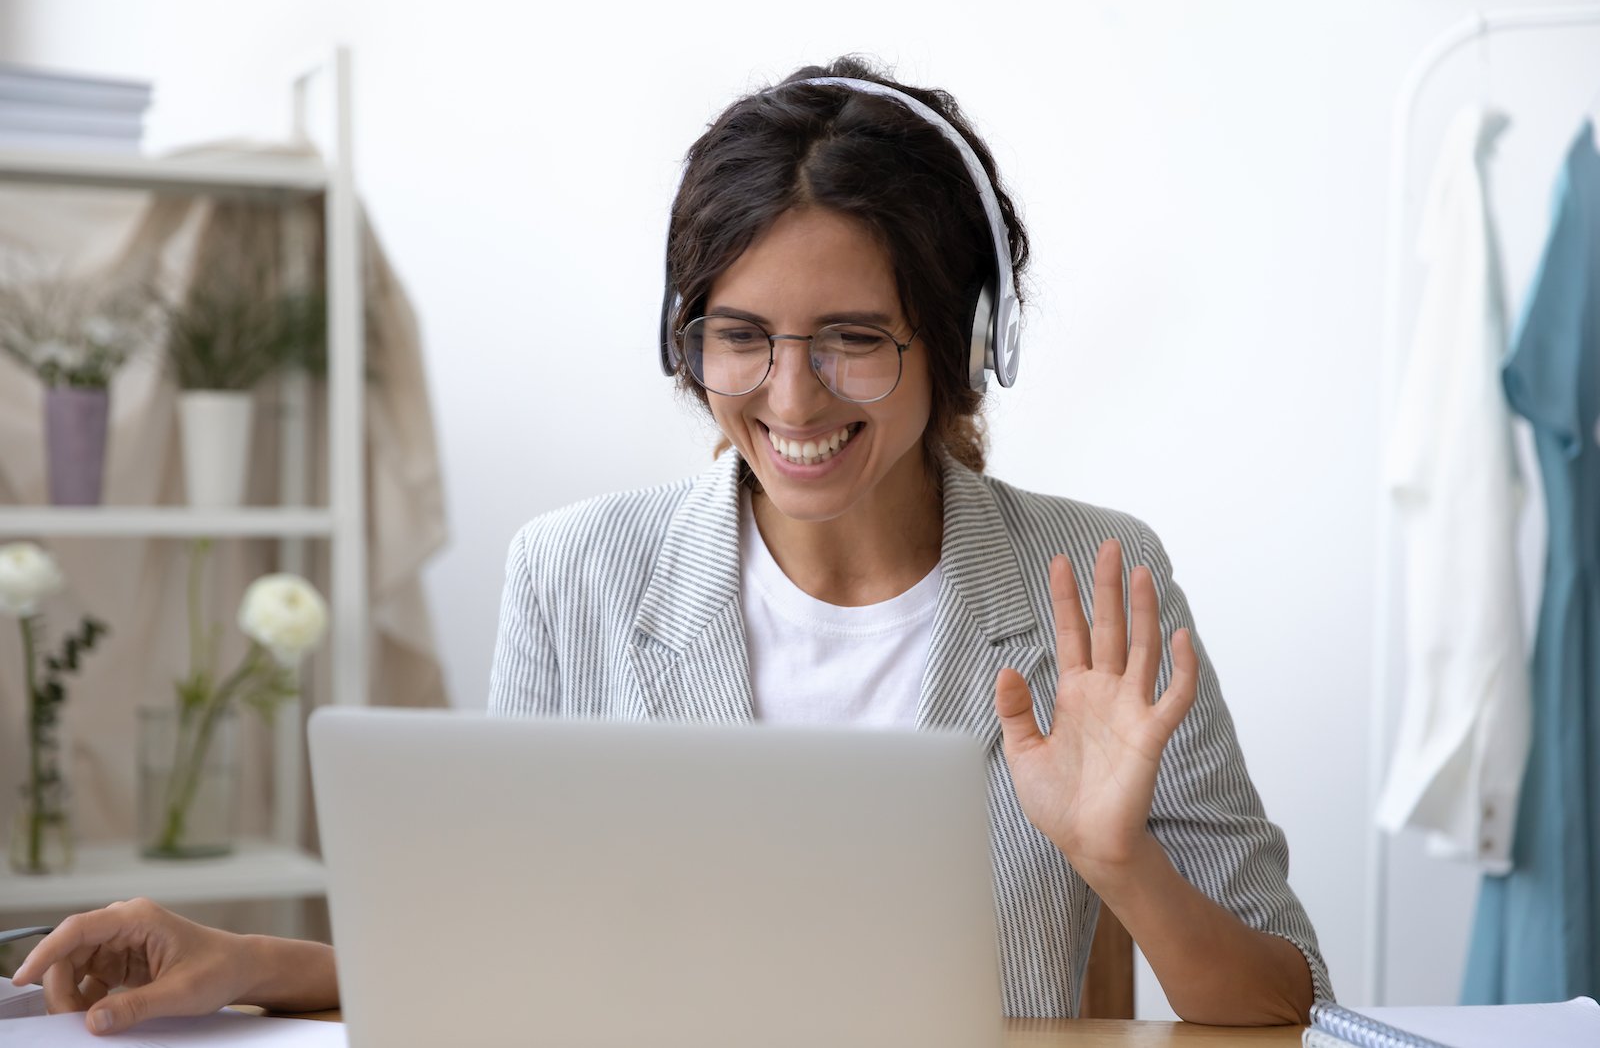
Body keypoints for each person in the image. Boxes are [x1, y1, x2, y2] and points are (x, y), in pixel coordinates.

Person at [11, 56, 1330, 1035]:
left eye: (854, 337)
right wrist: (243, 960)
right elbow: (500, 958)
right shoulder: (576, 574)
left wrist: (1120, 864)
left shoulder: (1096, 586)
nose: (793, 399)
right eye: (741, 336)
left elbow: (1285, 997)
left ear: (967, 346)